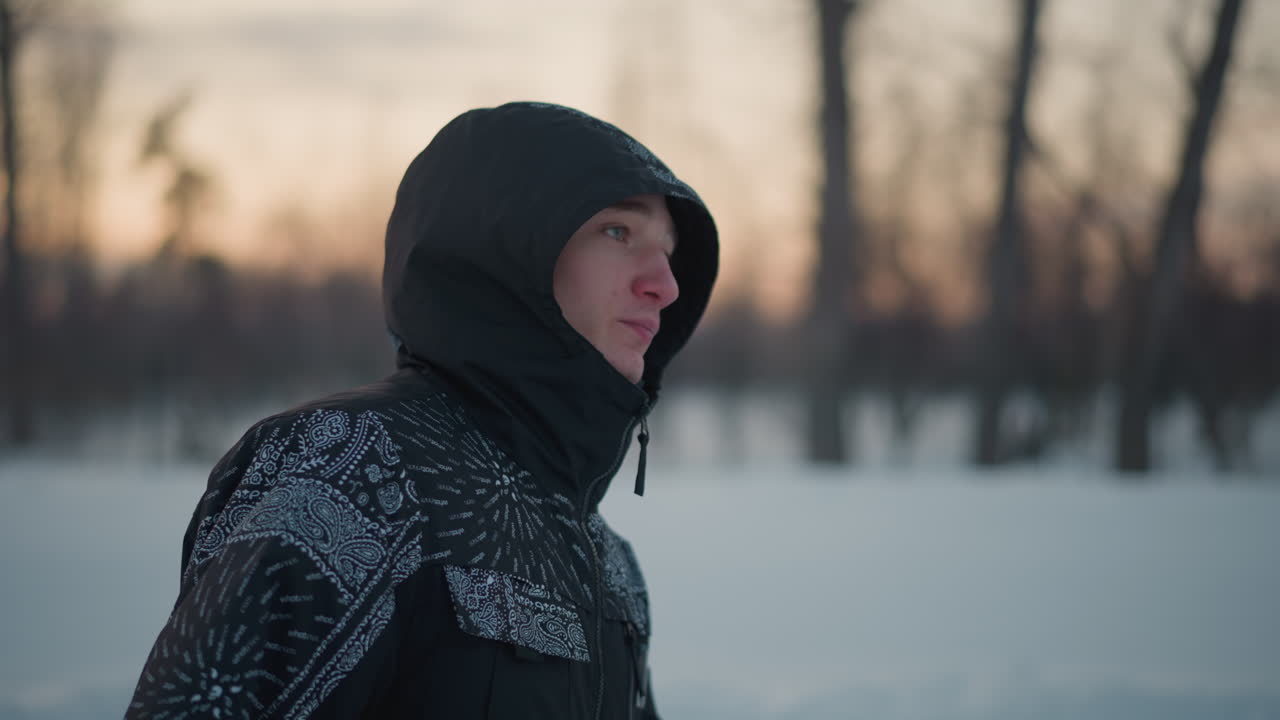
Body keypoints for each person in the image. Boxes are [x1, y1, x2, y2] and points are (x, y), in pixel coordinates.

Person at [125, 101, 719, 719]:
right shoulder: (349, 466)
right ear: (507, 248)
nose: (666, 285)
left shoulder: (608, 559)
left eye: (669, 251)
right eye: (619, 232)